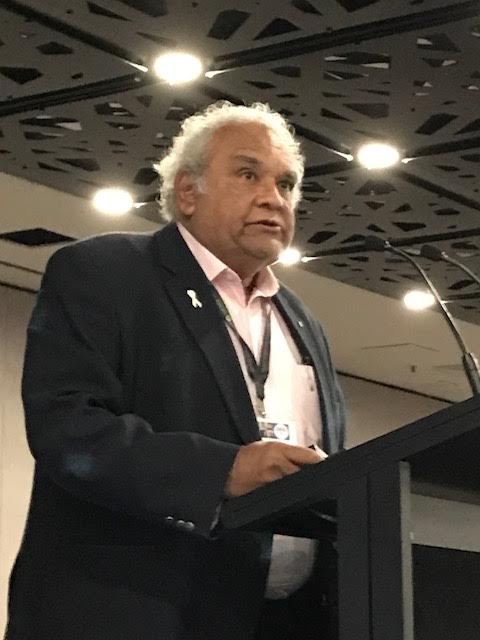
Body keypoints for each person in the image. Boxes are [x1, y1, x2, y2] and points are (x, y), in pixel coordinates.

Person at [5, 101, 346, 640]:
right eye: (248, 173)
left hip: (280, 622)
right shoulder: (105, 272)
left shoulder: (303, 322)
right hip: (132, 614)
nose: (273, 198)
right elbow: (67, 429)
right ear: (187, 192)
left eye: (287, 183)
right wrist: (221, 472)